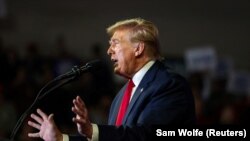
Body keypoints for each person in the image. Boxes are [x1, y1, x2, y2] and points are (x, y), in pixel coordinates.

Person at [27, 18, 196, 141]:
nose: (109, 51)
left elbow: (147, 135)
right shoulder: (121, 95)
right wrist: (60, 138)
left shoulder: (169, 85)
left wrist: (92, 130)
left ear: (138, 48)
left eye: (115, 43)